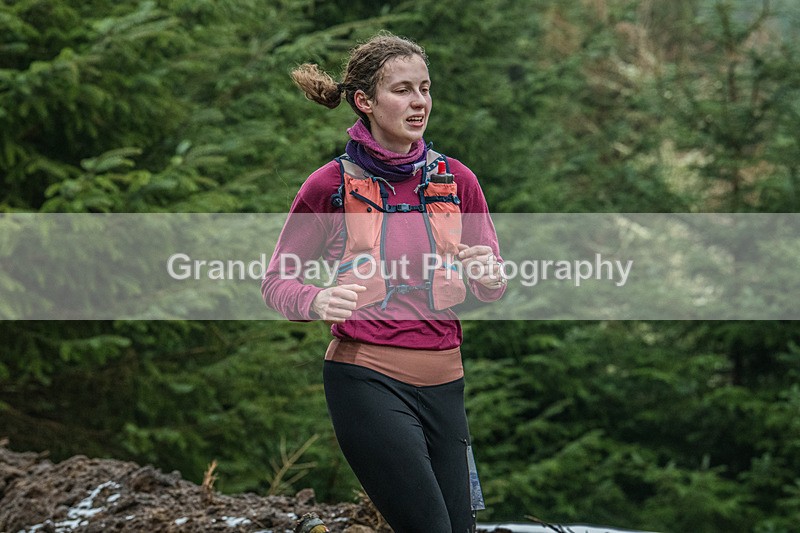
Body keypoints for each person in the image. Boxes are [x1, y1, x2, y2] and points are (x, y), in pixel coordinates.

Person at [262, 31, 506, 533]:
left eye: (425, 88)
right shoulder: (328, 185)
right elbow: (277, 280)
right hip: (365, 378)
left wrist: (490, 276)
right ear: (365, 101)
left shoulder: (458, 179)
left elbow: (491, 281)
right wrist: (316, 299)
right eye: (402, 90)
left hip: (446, 382)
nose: (418, 102)